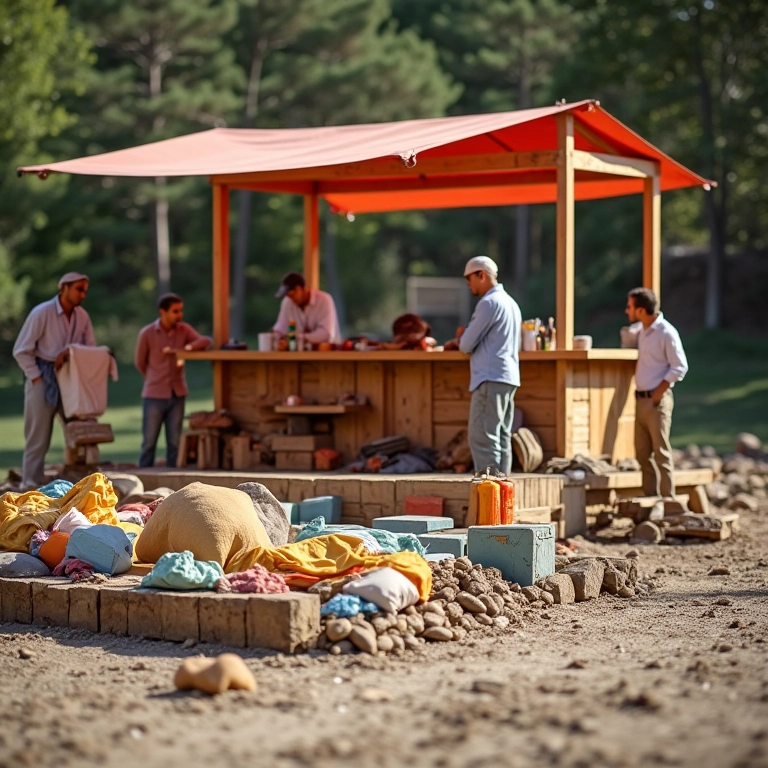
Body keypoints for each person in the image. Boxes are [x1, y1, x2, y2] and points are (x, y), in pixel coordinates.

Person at [13, 272, 96, 490]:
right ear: (64, 288)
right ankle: (29, 484)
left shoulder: (83, 316)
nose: (83, 295)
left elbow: (91, 350)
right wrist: (37, 377)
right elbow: (21, 350)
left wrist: (70, 351)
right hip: (42, 374)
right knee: (38, 434)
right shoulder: (42, 312)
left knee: (79, 432)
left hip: (72, 377)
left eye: (85, 290)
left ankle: (79, 484)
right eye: (79, 289)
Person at [446, 256, 521, 474]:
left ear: (482, 275)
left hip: (489, 377)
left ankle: (489, 495)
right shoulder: (511, 303)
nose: (468, 284)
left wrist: (461, 336)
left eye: (470, 278)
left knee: (482, 437)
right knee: (501, 437)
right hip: (508, 376)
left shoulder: (489, 303)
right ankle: (503, 491)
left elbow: (466, 344)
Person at [134, 293, 212, 468]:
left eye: (181, 310)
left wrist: (187, 348)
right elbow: (140, 362)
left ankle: (172, 482)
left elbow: (206, 340)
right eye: (175, 311)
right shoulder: (147, 333)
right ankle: (143, 479)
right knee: (149, 442)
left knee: (175, 442)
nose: (180, 315)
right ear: (163, 312)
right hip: (154, 394)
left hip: (177, 394)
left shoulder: (183, 330)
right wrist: (153, 378)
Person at [625, 287, 688, 498]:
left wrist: (658, 394)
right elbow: (628, 334)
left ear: (641, 310)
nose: (627, 311)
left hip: (656, 401)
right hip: (640, 400)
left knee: (661, 453)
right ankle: (651, 500)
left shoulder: (666, 332)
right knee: (643, 455)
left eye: (630, 306)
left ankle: (669, 501)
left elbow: (680, 366)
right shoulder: (642, 330)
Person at [273, 272, 341, 349]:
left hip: (327, 355)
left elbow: (325, 334)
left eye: (291, 295)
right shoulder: (287, 302)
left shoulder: (324, 300)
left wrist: (298, 338)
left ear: (299, 288)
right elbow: (280, 329)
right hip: (299, 356)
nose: (290, 299)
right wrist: (277, 339)